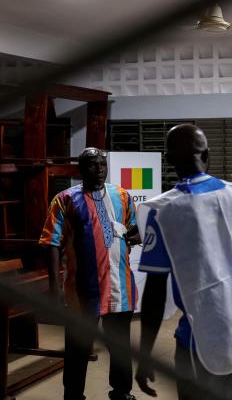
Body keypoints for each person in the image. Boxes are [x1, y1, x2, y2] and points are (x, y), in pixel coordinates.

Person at [134, 124, 232, 400]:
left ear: (168, 161)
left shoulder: (165, 212)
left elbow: (154, 291)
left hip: (201, 337)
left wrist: (144, 354)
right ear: (208, 155)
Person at [39, 147, 140, 400]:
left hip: (120, 288)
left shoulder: (122, 195)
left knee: (120, 346)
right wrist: (55, 286)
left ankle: (121, 392)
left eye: (103, 165)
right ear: (81, 170)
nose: (99, 170)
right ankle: (73, 395)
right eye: (93, 166)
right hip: (82, 291)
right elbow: (51, 242)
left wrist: (134, 234)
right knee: (78, 347)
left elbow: (133, 229)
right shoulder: (65, 199)